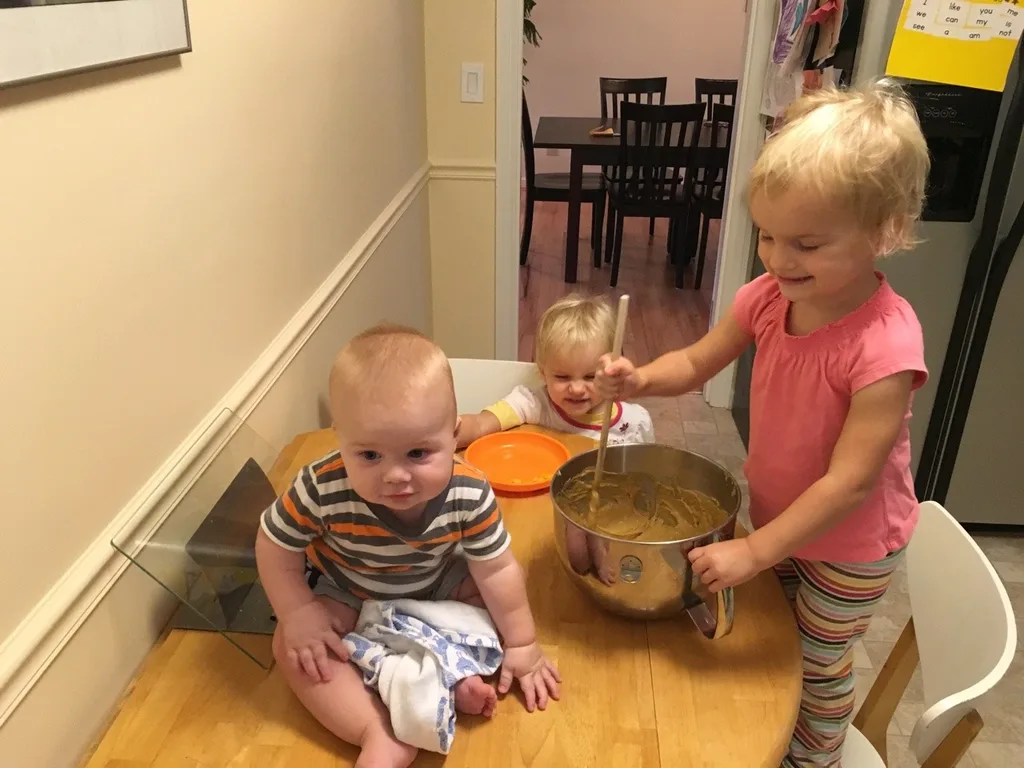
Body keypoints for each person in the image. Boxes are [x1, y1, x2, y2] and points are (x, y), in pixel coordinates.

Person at [596, 81, 930, 768]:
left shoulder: (885, 346)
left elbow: (847, 485)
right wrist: (641, 379)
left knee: (813, 663)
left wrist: (755, 551)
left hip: (851, 546)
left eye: (805, 243)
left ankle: (812, 760)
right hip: (783, 519)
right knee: (773, 642)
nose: (778, 259)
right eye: (768, 236)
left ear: (884, 232)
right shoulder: (769, 297)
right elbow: (695, 361)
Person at [256, 325, 560, 768]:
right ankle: (376, 729)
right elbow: (273, 544)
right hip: (349, 593)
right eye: (369, 456)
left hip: (437, 587)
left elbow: (496, 571)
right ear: (339, 438)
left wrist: (524, 645)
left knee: (501, 594)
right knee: (291, 645)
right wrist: (299, 613)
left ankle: (442, 678)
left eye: (418, 453)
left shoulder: (470, 491)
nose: (395, 475)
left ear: (454, 435)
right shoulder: (320, 487)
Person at [457, 294, 654, 449]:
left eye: (590, 376)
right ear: (542, 372)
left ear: (613, 371)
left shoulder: (634, 425)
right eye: (562, 376)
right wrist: (440, 436)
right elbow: (480, 425)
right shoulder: (533, 404)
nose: (577, 389)